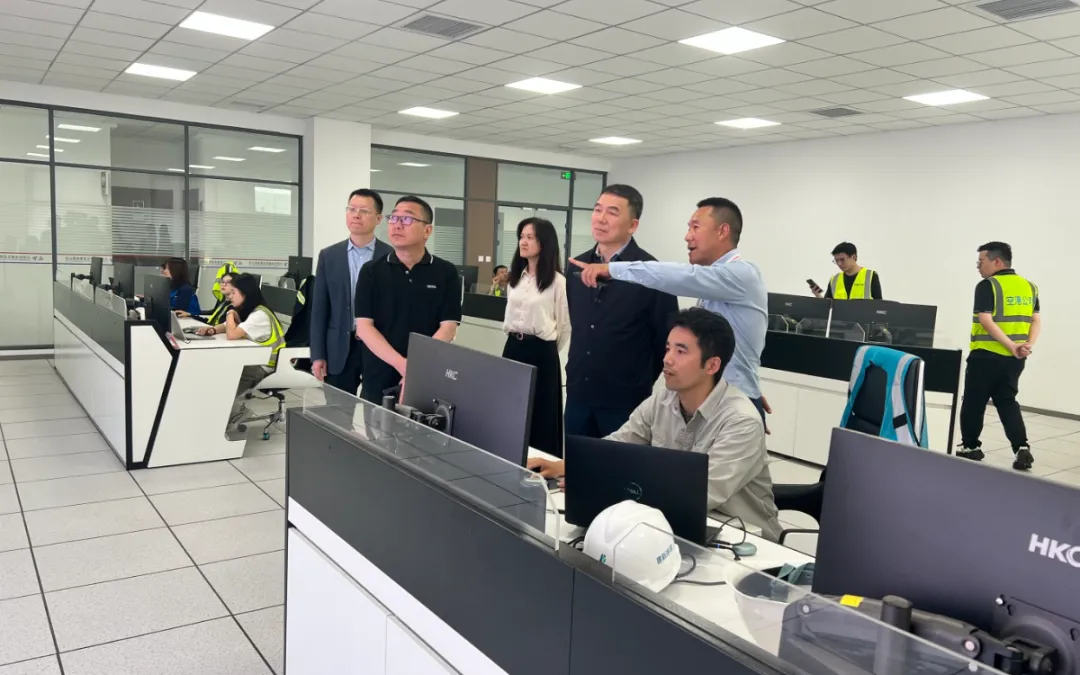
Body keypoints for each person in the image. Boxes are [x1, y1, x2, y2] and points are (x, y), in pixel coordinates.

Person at [529, 308, 782, 541]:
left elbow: (700, 495)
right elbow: (617, 446)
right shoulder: (662, 400)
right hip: (675, 525)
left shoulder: (741, 421)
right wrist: (569, 468)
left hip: (746, 541)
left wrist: (610, 487)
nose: (667, 359)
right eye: (667, 348)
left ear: (712, 365)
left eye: (681, 351)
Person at [571, 198, 769, 425]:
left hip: (731, 405)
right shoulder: (716, 282)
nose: (687, 236)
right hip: (712, 399)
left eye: (695, 227)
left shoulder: (742, 274)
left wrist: (613, 269)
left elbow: (683, 276)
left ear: (722, 231)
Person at [565, 184, 679, 438]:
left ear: (632, 225)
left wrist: (637, 381)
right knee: (574, 461)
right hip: (578, 393)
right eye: (598, 210)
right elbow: (579, 324)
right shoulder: (576, 267)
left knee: (618, 462)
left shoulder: (652, 273)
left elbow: (665, 339)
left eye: (613, 212)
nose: (601, 218)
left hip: (624, 400)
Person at [355, 195, 462, 404]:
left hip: (428, 372)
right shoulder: (371, 271)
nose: (397, 225)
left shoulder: (446, 272)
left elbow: (448, 327)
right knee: (377, 425)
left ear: (427, 230)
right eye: (394, 218)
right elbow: (364, 327)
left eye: (407, 219)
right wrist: (404, 365)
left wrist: (416, 368)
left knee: (425, 424)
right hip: (379, 374)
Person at [956, 242, 1040, 471]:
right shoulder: (1029, 287)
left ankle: (970, 446)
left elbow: (985, 320)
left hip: (985, 356)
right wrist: (1026, 346)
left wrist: (1011, 345)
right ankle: (1021, 447)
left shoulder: (987, 286)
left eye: (981, 261)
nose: (978, 266)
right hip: (1014, 360)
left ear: (997, 261)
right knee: (1007, 401)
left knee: (974, 402)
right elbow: (1036, 320)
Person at [310, 188, 393, 395]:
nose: (356, 215)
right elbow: (320, 309)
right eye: (351, 209)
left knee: (377, 409)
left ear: (378, 219)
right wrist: (317, 354)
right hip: (339, 347)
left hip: (379, 346)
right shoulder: (329, 256)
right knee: (337, 409)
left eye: (364, 211)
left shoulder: (391, 256)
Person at [502, 218, 570, 457]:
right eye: (521, 236)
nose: (523, 242)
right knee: (510, 409)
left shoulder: (558, 282)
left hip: (542, 351)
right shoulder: (515, 278)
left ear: (545, 242)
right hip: (513, 346)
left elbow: (564, 326)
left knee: (542, 413)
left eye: (530, 237)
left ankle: (540, 463)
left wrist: (545, 350)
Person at [196, 274, 287, 425]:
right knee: (219, 372)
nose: (230, 296)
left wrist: (230, 311)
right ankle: (219, 413)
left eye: (233, 292)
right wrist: (212, 330)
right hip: (253, 360)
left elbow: (231, 334)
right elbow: (227, 326)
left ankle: (235, 413)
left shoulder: (260, 315)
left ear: (245, 294)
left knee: (226, 381)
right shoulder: (249, 310)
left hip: (265, 366)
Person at [815, 242, 882, 300]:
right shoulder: (834, 280)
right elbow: (828, 305)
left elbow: (879, 305)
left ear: (854, 257)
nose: (839, 263)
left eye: (842, 259)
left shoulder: (870, 276)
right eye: (836, 260)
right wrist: (818, 295)